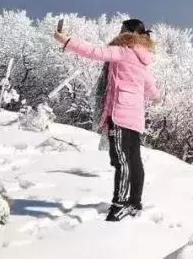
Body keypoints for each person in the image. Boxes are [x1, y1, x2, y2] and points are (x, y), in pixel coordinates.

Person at [55, 19, 161, 222]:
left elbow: (94, 52)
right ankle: (134, 203)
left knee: (122, 161)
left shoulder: (123, 51)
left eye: (121, 30)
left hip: (120, 114)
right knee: (133, 161)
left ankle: (119, 206)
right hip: (135, 118)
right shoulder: (142, 59)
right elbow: (152, 91)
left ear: (127, 33)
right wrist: (156, 97)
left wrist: (65, 40)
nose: (119, 33)